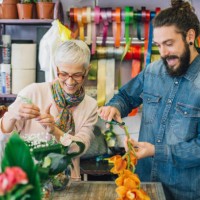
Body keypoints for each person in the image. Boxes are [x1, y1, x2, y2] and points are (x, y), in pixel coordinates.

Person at [98, 1, 200, 200]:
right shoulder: (153, 71)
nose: (163, 53)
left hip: (184, 192)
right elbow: (125, 97)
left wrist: (156, 151)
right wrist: (115, 107)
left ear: (190, 36)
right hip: (143, 186)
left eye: (169, 44)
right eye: (158, 45)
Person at [0, 40, 98, 181]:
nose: (70, 82)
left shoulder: (90, 106)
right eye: (63, 74)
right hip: (29, 182)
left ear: (87, 70)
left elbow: (79, 150)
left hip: (67, 184)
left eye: (77, 75)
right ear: (56, 68)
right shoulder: (33, 93)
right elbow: (4, 141)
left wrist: (55, 131)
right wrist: (10, 115)